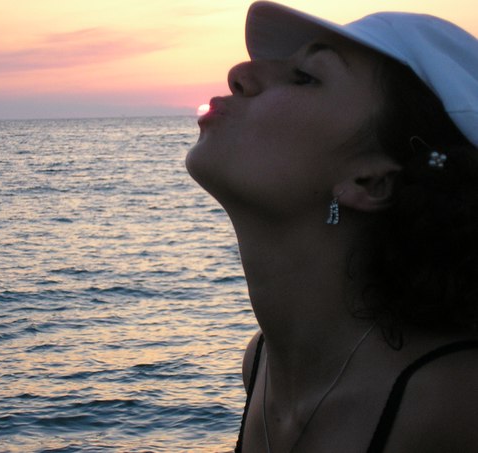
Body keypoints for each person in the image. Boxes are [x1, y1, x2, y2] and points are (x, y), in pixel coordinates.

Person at [186, 1, 478, 452]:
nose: (239, 74)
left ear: (370, 181)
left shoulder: (457, 401)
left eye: (305, 77)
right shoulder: (259, 364)